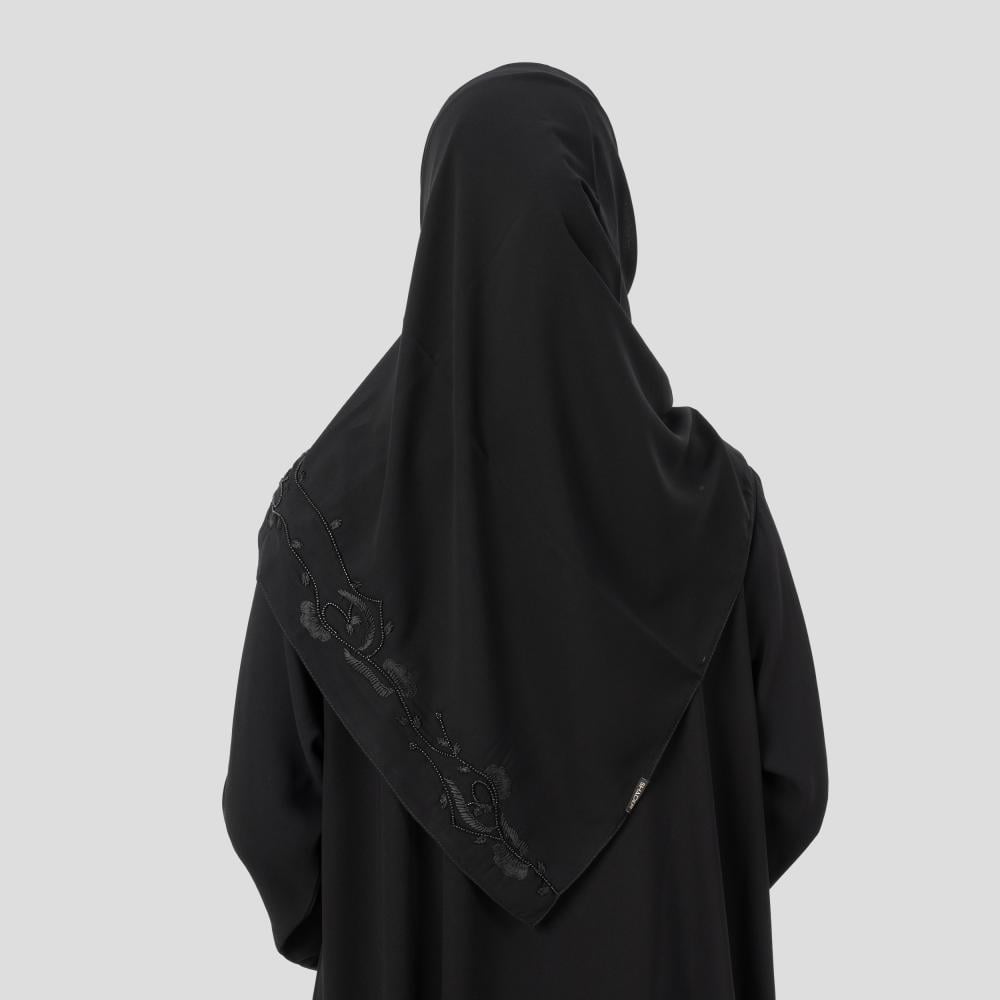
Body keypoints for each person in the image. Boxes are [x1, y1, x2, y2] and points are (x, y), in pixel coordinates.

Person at [222, 61, 827, 999]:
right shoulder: (716, 502)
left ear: (438, 223)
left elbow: (269, 820)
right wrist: (679, 890)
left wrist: (384, 918)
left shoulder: (324, 520)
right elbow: (791, 783)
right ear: (605, 218)